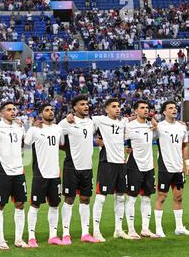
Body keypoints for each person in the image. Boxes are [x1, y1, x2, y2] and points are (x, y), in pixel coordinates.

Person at [0, 101, 29, 250]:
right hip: (4, 171)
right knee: (0, 204)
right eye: (9, 109)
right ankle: (1, 240)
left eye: (14, 109)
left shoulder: (19, 127)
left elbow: (23, 145)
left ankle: (18, 239)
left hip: (19, 170)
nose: (12, 112)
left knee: (20, 204)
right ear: (1, 113)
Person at [59, 96, 99, 244]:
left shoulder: (92, 123)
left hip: (87, 167)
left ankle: (85, 233)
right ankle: (65, 233)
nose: (86, 106)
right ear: (75, 108)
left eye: (87, 104)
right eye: (82, 104)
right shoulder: (66, 122)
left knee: (85, 199)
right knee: (69, 199)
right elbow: (54, 135)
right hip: (71, 166)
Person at [92, 98, 133, 242]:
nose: (117, 109)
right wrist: (96, 141)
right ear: (106, 109)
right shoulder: (99, 120)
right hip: (106, 162)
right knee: (101, 198)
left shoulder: (123, 122)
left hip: (121, 163)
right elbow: (84, 129)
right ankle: (96, 231)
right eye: (114, 106)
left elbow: (129, 135)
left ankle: (119, 230)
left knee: (121, 197)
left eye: (118, 106)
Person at [24, 104, 64, 247]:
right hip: (40, 173)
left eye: (52, 110)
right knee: (35, 205)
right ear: (41, 114)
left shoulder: (58, 129)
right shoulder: (34, 130)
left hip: (55, 174)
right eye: (47, 110)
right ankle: (31, 237)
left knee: (54, 205)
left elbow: (62, 143)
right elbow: (26, 143)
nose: (50, 112)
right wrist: (31, 127)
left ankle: (53, 236)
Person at [154, 101, 189, 237]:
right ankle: (159, 229)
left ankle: (179, 228)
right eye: (170, 108)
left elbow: (185, 146)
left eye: (175, 108)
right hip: (165, 167)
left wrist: (187, 164)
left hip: (178, 168)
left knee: (178, 197)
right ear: (164, 112)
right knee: (162, 197)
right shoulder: (159, 127)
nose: (174, 110)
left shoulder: (182, 127)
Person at [124, 100, 158, 238]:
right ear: (135, 111)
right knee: (131, 198)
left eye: (147, 108)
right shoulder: (129, 126)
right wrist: (125, 148)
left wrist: (156, 125)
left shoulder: (152, 126)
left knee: (147, 197)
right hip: (134, 165)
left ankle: (145, 228)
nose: (145, 110)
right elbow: (119, 141)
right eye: (142, 108)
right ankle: (131, 229)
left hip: (149, 166)